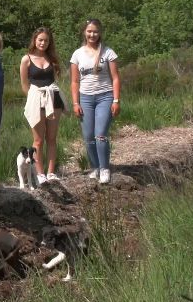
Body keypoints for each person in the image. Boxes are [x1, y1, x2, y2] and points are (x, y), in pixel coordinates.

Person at [70, 19, 121, 184]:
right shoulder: (77, 54)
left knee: (100, 135)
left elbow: (115, 78)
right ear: (84, 32)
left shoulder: (108, 52)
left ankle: (105, 168)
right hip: (85, 98)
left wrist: (116, 100)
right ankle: (95, 167)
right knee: (88, 136)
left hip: (105, 97)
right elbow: (74, 81)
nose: (92, 34)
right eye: (89, 31)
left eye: (95, 31)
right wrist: (75, 103)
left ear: (100, 33)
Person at [20, 27, 66, 184]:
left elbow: (55, 77)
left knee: (52, 138)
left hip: (54, 99)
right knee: (38, 140)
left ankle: (51, 172)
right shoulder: (26, 59)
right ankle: (39, 173)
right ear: (34, 40)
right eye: (40, 40)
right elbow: (24, 85)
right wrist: (33, 99)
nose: (43, 43)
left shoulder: (52, 58)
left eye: (46, 40)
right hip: (36, 100)